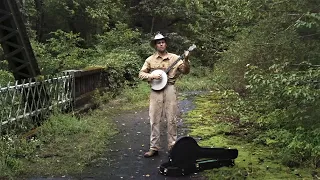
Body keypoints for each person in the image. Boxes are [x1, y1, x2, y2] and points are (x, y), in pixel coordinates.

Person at [139, 33, 191, 158]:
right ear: (155, 45)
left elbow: (185, 71)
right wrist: (151, 76)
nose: (161, 44)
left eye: (163, 42)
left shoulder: (174, 58)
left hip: (170, 88)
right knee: (154, 119)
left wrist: (186, 60)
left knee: (171, 118)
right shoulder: (150, 59)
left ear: (165, 44)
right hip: (155, 90)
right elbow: (141, 74)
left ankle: (173, 147)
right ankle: (154, 148)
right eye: (158, 42)